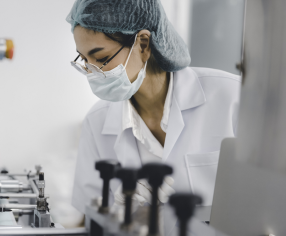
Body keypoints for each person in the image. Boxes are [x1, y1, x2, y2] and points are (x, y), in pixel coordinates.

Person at [67, 0, 241, 215]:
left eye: (101, 58)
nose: (91, 72)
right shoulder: (97, 121)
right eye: (84, 60)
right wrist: (119, 215)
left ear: (143, 44)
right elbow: (90, 216)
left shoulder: (233, 97)